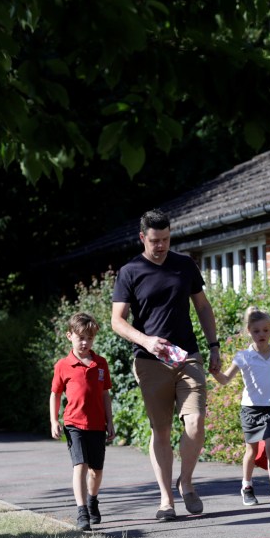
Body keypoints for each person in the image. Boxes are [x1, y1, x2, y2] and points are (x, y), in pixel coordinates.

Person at [110, 209, 221, 521]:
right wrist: (146, 341)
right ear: (142, 238)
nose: (161, 246)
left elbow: (202, 306)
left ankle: (186, 481)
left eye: (166, 240)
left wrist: (213, 346)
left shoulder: (183, 265)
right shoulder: (130, 271)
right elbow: (117, 321)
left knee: (196, 423)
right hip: (150, 361)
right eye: (155, 240)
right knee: (161, 430)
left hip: (188, 356)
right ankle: (166, 499)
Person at [211, 306, 270, 510]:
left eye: (265, 330)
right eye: (256, 331)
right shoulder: (243, 357)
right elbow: (225, 379)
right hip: (251, 409)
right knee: (252, 450)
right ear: (249, 331)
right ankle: (247, 486)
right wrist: (215, 372)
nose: (261, 334)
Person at [49, 312, 115, 532]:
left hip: (97, 424)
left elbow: (106, 394)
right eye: (81, 338)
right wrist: (54, 420)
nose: (85, 342)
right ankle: (82, 511)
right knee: (80, 465)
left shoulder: (100, 363)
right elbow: (55, 394)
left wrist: (110, 422)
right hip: (73, 423)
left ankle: (93, 500)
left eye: (89, 338)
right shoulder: (63, 365)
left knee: (96, 470)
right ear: (69, 336)